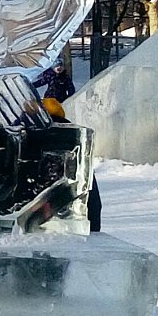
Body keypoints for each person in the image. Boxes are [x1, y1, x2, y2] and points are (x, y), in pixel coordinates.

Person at [42, 97, 101, 232]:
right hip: (73, 223)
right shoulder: (75, 141)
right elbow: (93, 200)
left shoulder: (39, 140)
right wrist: (93, 231)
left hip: (44, 223)